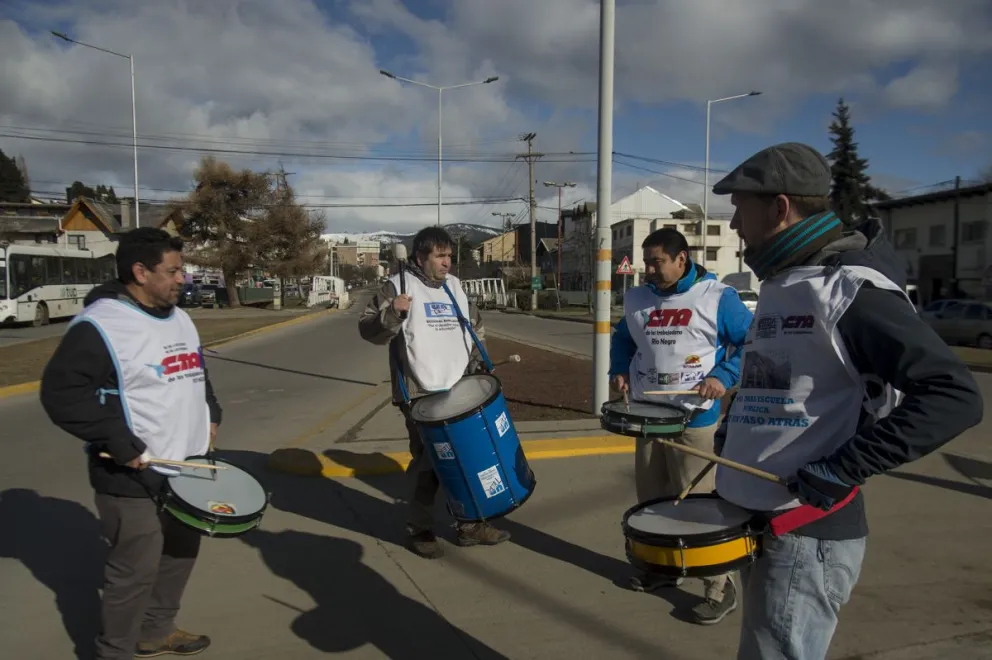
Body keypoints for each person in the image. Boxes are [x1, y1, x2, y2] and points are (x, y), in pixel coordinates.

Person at [709, 142, 984, 659]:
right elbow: (780, 381)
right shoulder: (783, 281)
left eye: (739, 207)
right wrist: (734, 428)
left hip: (805, 536)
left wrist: (844, 467)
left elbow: (954, 396)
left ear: (779, 207)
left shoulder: (851, 290)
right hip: (761, 524)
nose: (732, 224)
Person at [40, 227, 221, 659]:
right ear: (140, 272)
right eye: (174, 271)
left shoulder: (179, 315)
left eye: (184, 270)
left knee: (180, 554)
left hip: (186, 467)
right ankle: (114, 651)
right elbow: (61, 394)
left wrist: (212, 413)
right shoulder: (102, 325)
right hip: (130, 473)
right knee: (134, 572)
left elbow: (195, 371)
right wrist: (120, 443)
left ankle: (156, 630)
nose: (184, 279)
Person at [609, 227, 753, 625]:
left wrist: (724, 375)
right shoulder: (638, 298)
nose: (648, 269)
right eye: (646, 261)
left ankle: (719, 588)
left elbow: (750, 342)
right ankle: (660, 569)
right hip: (648, 416)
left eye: (656, 261)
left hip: (696, 417)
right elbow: (624, 339)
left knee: (698, 506)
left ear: (681, 259)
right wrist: (619, 369)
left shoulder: (717, 296)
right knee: (652, 501)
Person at [358, 226, 511, 559]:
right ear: (419, 257)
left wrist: (479, 363)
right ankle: (420, 530)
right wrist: (394, 312)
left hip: (460, 387)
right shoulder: (397, 286)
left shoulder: (455, 287)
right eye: (440, 256)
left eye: (450, 256)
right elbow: (367, 329)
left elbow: (475, 328)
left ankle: (470, 526)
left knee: (467, 458)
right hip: (418, 392)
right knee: (431, 464)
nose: (447, 264)